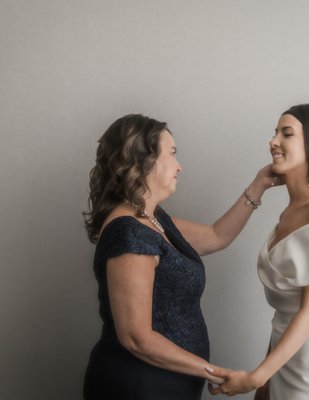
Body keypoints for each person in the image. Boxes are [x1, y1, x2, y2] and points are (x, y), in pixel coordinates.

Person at [82, 113, 280, 400]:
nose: (179, 166)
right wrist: (212, 370)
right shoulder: (128, 233)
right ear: (145, 160)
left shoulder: (153, 219)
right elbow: (136, 337)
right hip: (138, 386)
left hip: (168, 384)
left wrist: (259, 184)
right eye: (172, 155)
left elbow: (216, 236)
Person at [208, 104, 309, 399]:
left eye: (287, 133)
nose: (273, 142)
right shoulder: (288, 213)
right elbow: (285, 315)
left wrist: (257, 377)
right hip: (283, 367)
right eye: (274, 133)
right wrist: (267, 382)